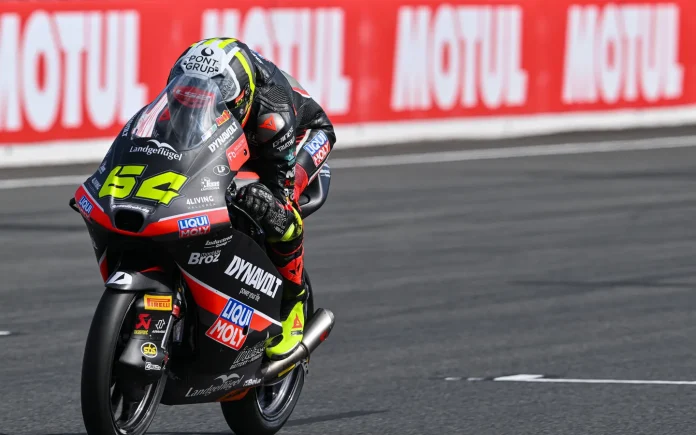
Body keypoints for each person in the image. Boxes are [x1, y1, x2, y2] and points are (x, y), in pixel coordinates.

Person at [166, 37, 336, 361]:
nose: (202, 113)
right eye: (193, 102)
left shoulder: (274, 112)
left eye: (216, 107)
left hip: (299, 138)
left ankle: (293, 301)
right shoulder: (187, 95)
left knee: (275, 210)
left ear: (241, 100)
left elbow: (279, 188)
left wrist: (270, 199)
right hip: (244, 137)